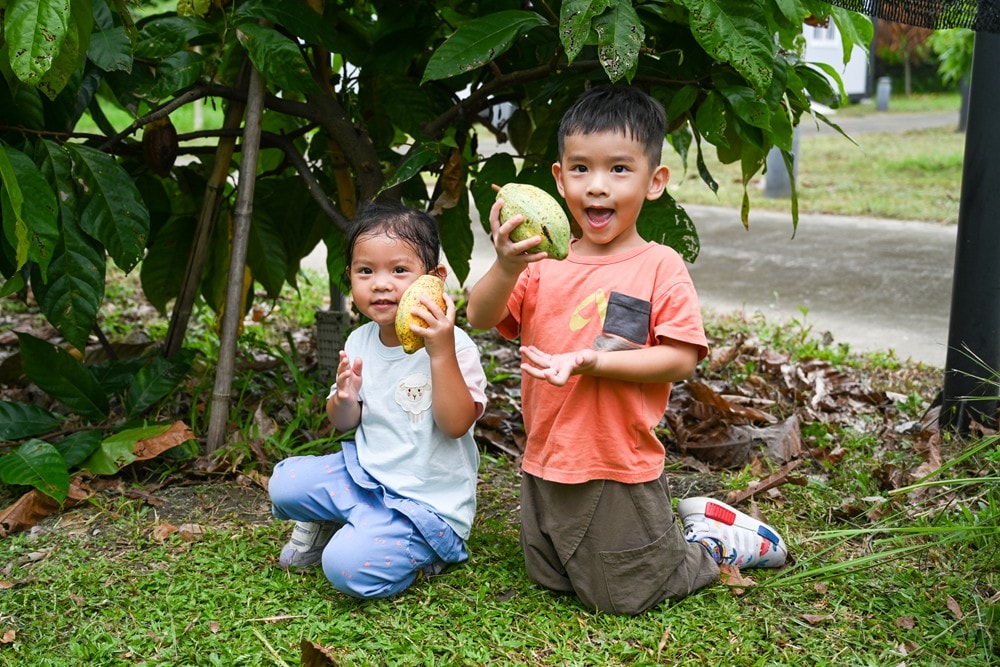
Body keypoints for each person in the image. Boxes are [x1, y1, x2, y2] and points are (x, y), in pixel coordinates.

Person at [466, 85, 787, 615]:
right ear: (557, 179)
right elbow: (479, 317)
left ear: (654, 181)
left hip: (616, 460)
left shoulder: (659, 265)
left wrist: (595, 362)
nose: (597, 187)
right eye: (581, 169)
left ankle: (714, 544)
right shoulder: (540, 262)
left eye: (619, 169)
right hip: (546, 458)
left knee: (624, 595)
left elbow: (682, 358)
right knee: (550, 578)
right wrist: (504, 264)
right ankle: (663, 532)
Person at [269, 201, 488, 600]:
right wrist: (345, 398)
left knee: (346, 568)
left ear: (434, 279)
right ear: (349, 277)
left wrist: (439, 353)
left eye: (399, 270)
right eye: (365, 271)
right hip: (367, 478)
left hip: (425, 505)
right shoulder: (360, 340)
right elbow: (344, 423)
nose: (381, 284)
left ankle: (423, 551)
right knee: (285, 483)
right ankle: (346, 521)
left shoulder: (456, 347)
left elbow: (456, 425)